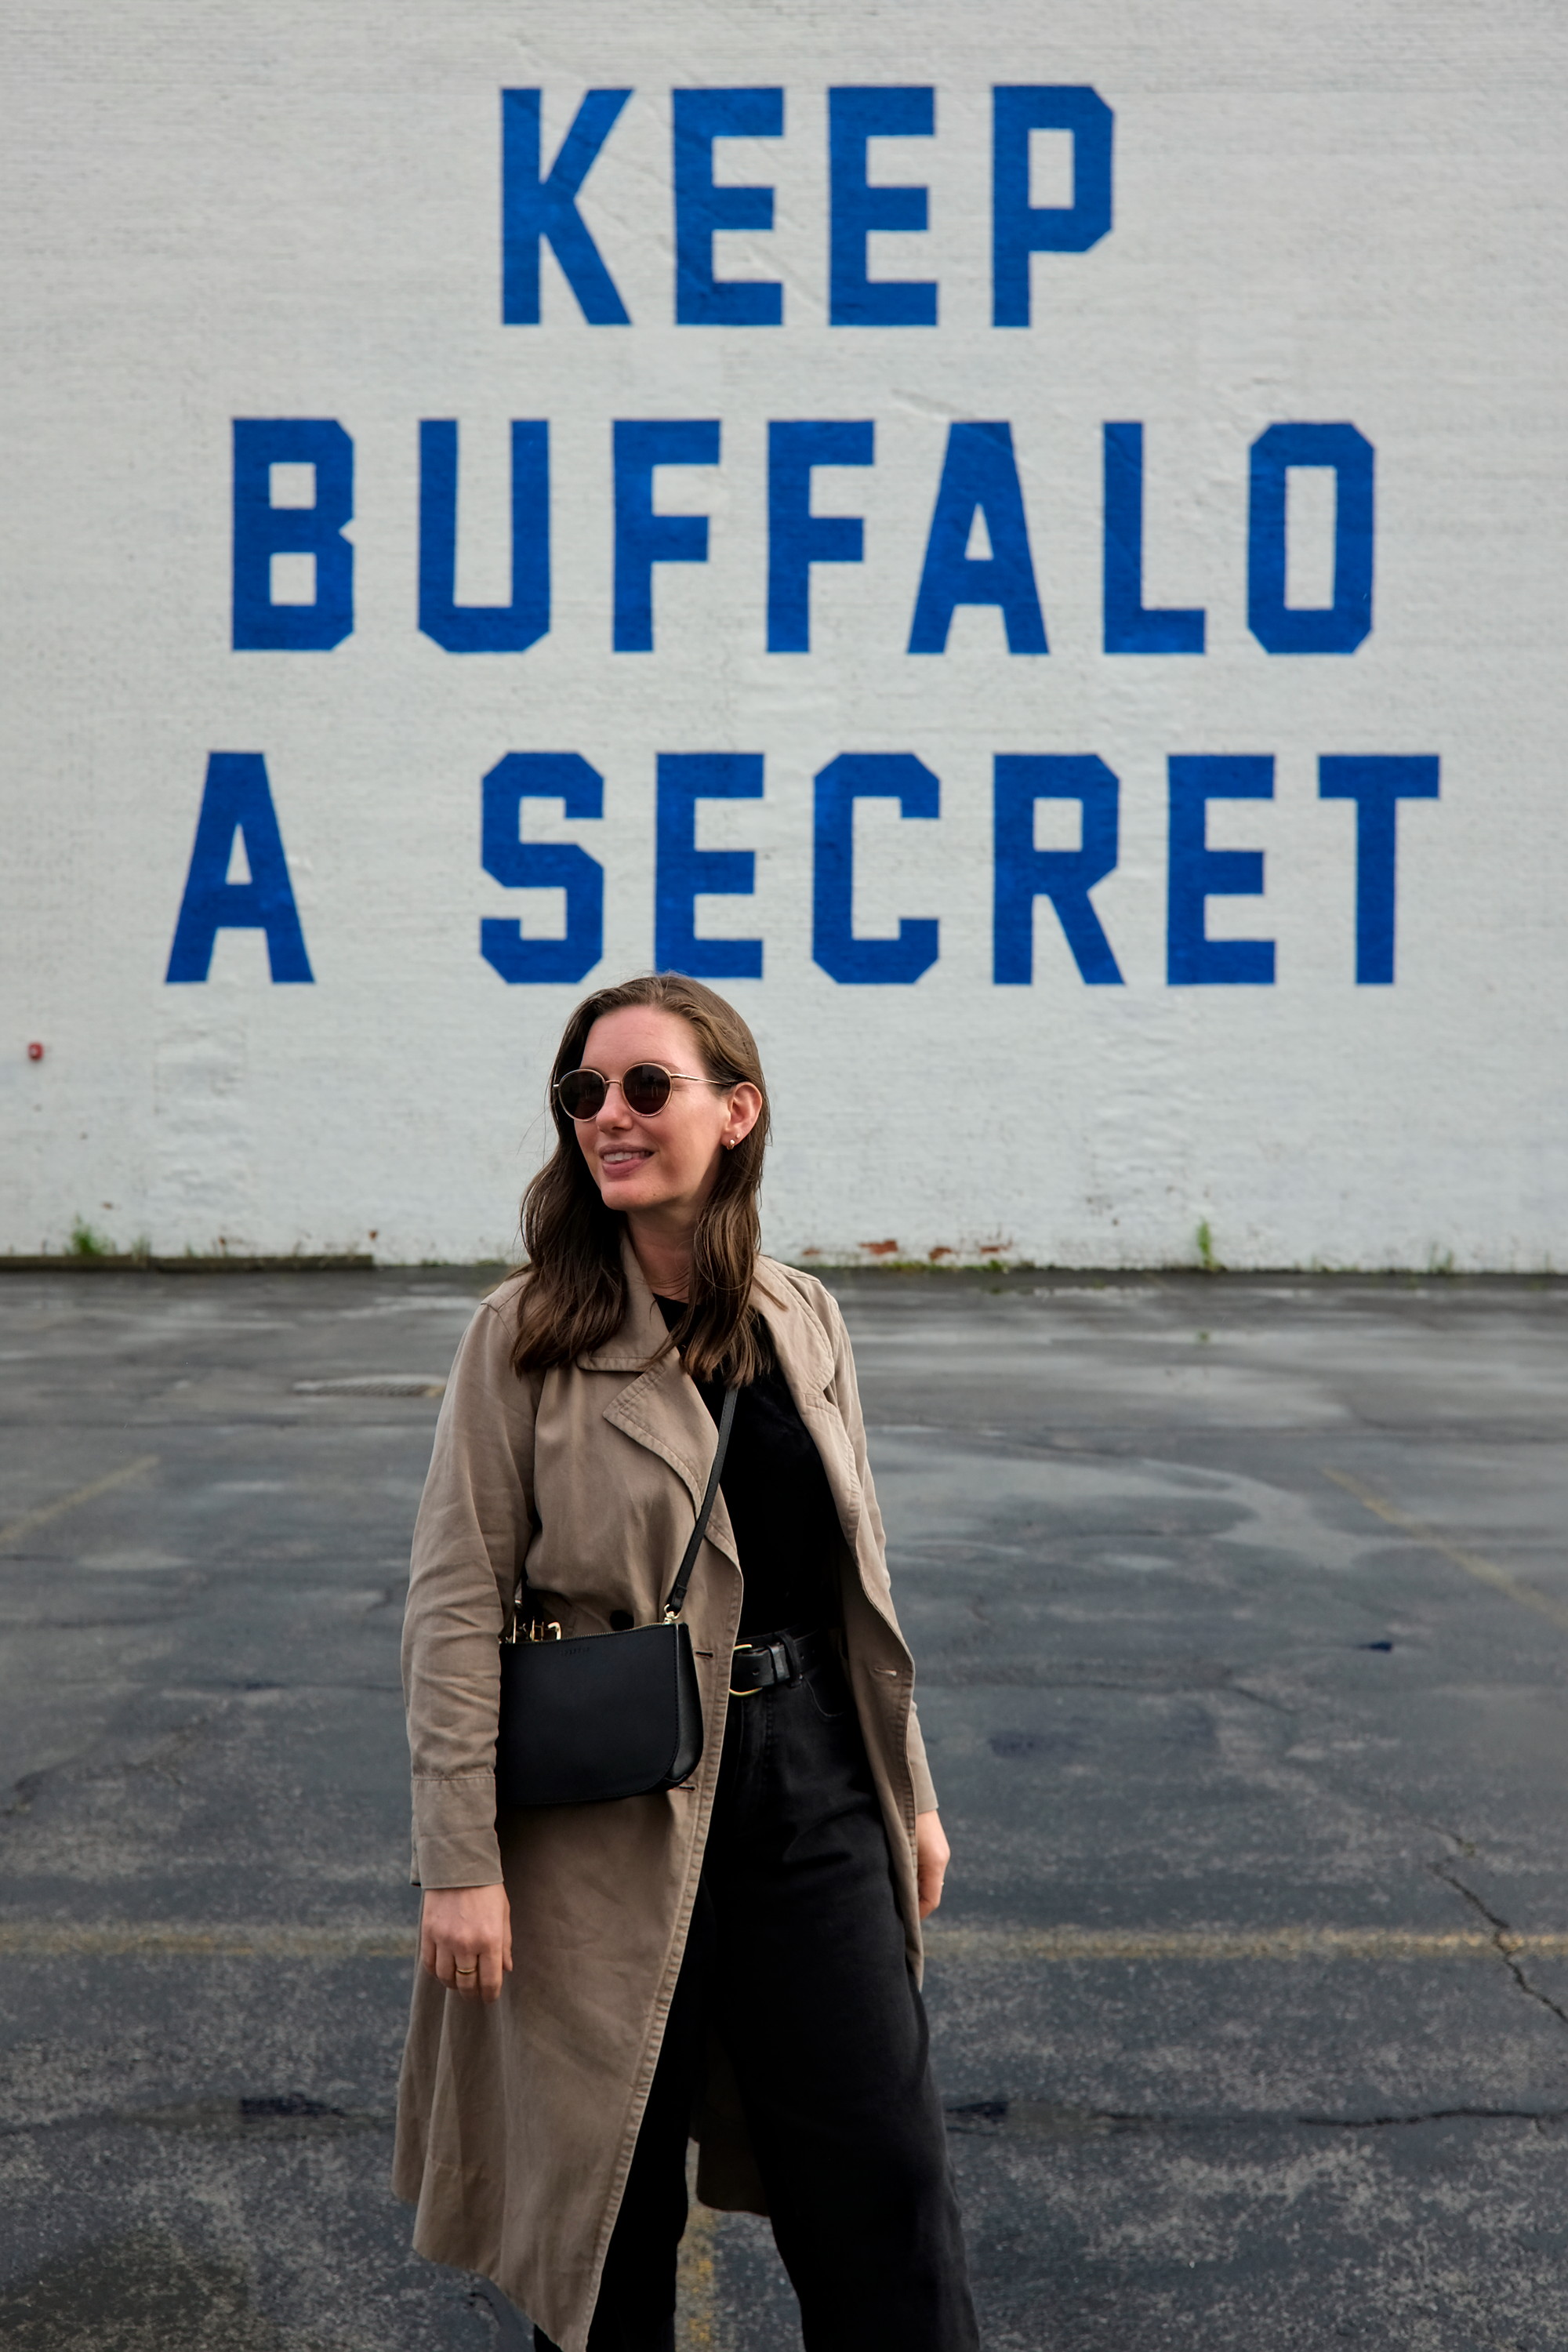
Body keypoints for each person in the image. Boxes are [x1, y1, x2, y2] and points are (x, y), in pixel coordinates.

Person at [394, 971, 978, 2352]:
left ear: (737, 1109)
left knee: (884, 2180)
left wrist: (915, 1790)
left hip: (813, 1786)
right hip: (607, 1806)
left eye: (646, 1087)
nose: (610, 1115)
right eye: (584, 1093)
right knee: (610, 2208)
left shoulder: (804, 1317)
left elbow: (859, 1575)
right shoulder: (524, 1337)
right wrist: (459, 1862)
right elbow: (452, 1604)